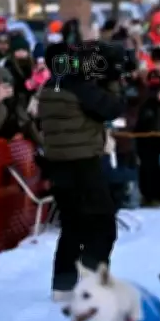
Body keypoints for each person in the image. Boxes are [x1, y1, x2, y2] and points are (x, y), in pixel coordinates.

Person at [38, 39, 126, 303]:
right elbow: (111, 108)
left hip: (58, 166)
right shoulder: (77, 87)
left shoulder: (49, 87)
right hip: (83, 165)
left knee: (73, 227)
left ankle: (63, 285)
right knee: (104, 226)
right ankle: (93, 279)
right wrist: (111, 76)